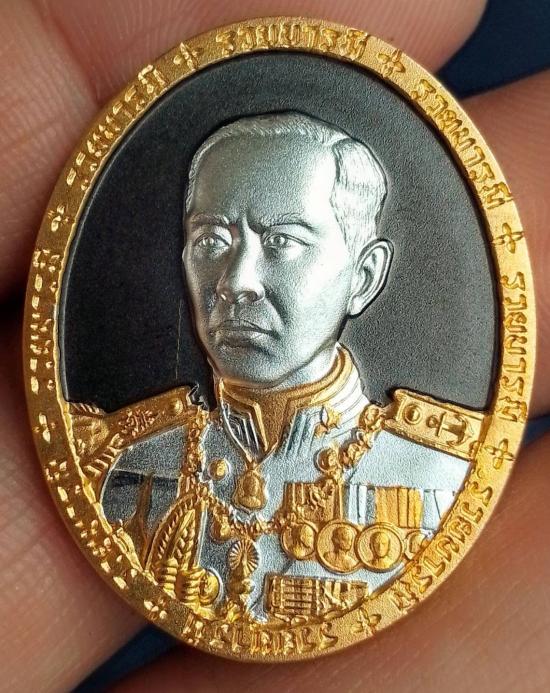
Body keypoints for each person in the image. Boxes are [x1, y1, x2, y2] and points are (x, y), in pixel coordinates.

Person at [90, 112, 470, 620]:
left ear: (363, 276)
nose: (235, 283)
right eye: (211, 241)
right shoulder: (122, 461)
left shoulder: (443, 471)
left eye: (282, 242)